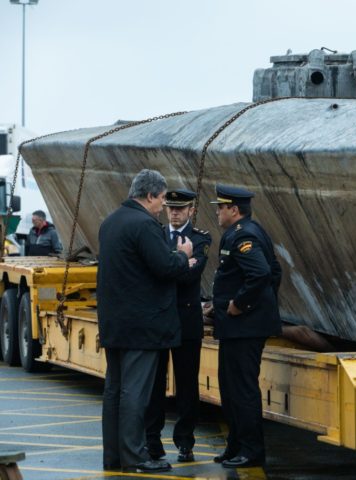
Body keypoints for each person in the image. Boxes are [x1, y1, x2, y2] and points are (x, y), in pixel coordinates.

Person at [97, 169, 194, 474]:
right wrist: (182, 256)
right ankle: (135, 457)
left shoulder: (110, 222)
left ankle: (114, 456)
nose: (163, 206)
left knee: (114, 391)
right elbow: (164, 266)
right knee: (134, 394)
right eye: (162, 199)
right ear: (150, 195)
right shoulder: (144, 225)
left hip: (115, 323)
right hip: (143, 326)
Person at [208, 184, 282, 468]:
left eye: (220, 207)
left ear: (234, 210)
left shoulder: (244, 236)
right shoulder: (248, 231)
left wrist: (241, 305)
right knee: (230, 388)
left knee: (242, 390)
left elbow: (262, 273)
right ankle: (235, 445)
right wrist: (264, 304)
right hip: (238, 328)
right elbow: (275, 271)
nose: (216, 211)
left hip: (244, 328)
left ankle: (251, 451)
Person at [145, 189, 212, 463]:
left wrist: (169, 266)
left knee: (186, 386)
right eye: (171, 208)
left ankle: (185, 442)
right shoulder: (157, 234)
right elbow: (154, 272)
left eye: (180, 209)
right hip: (160, 320)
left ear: (190, 210)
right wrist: (181, 261)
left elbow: (189, 276)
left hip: (186, 321)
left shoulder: (201, 238)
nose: (174, 213)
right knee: (154, 385)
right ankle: (153, 442)